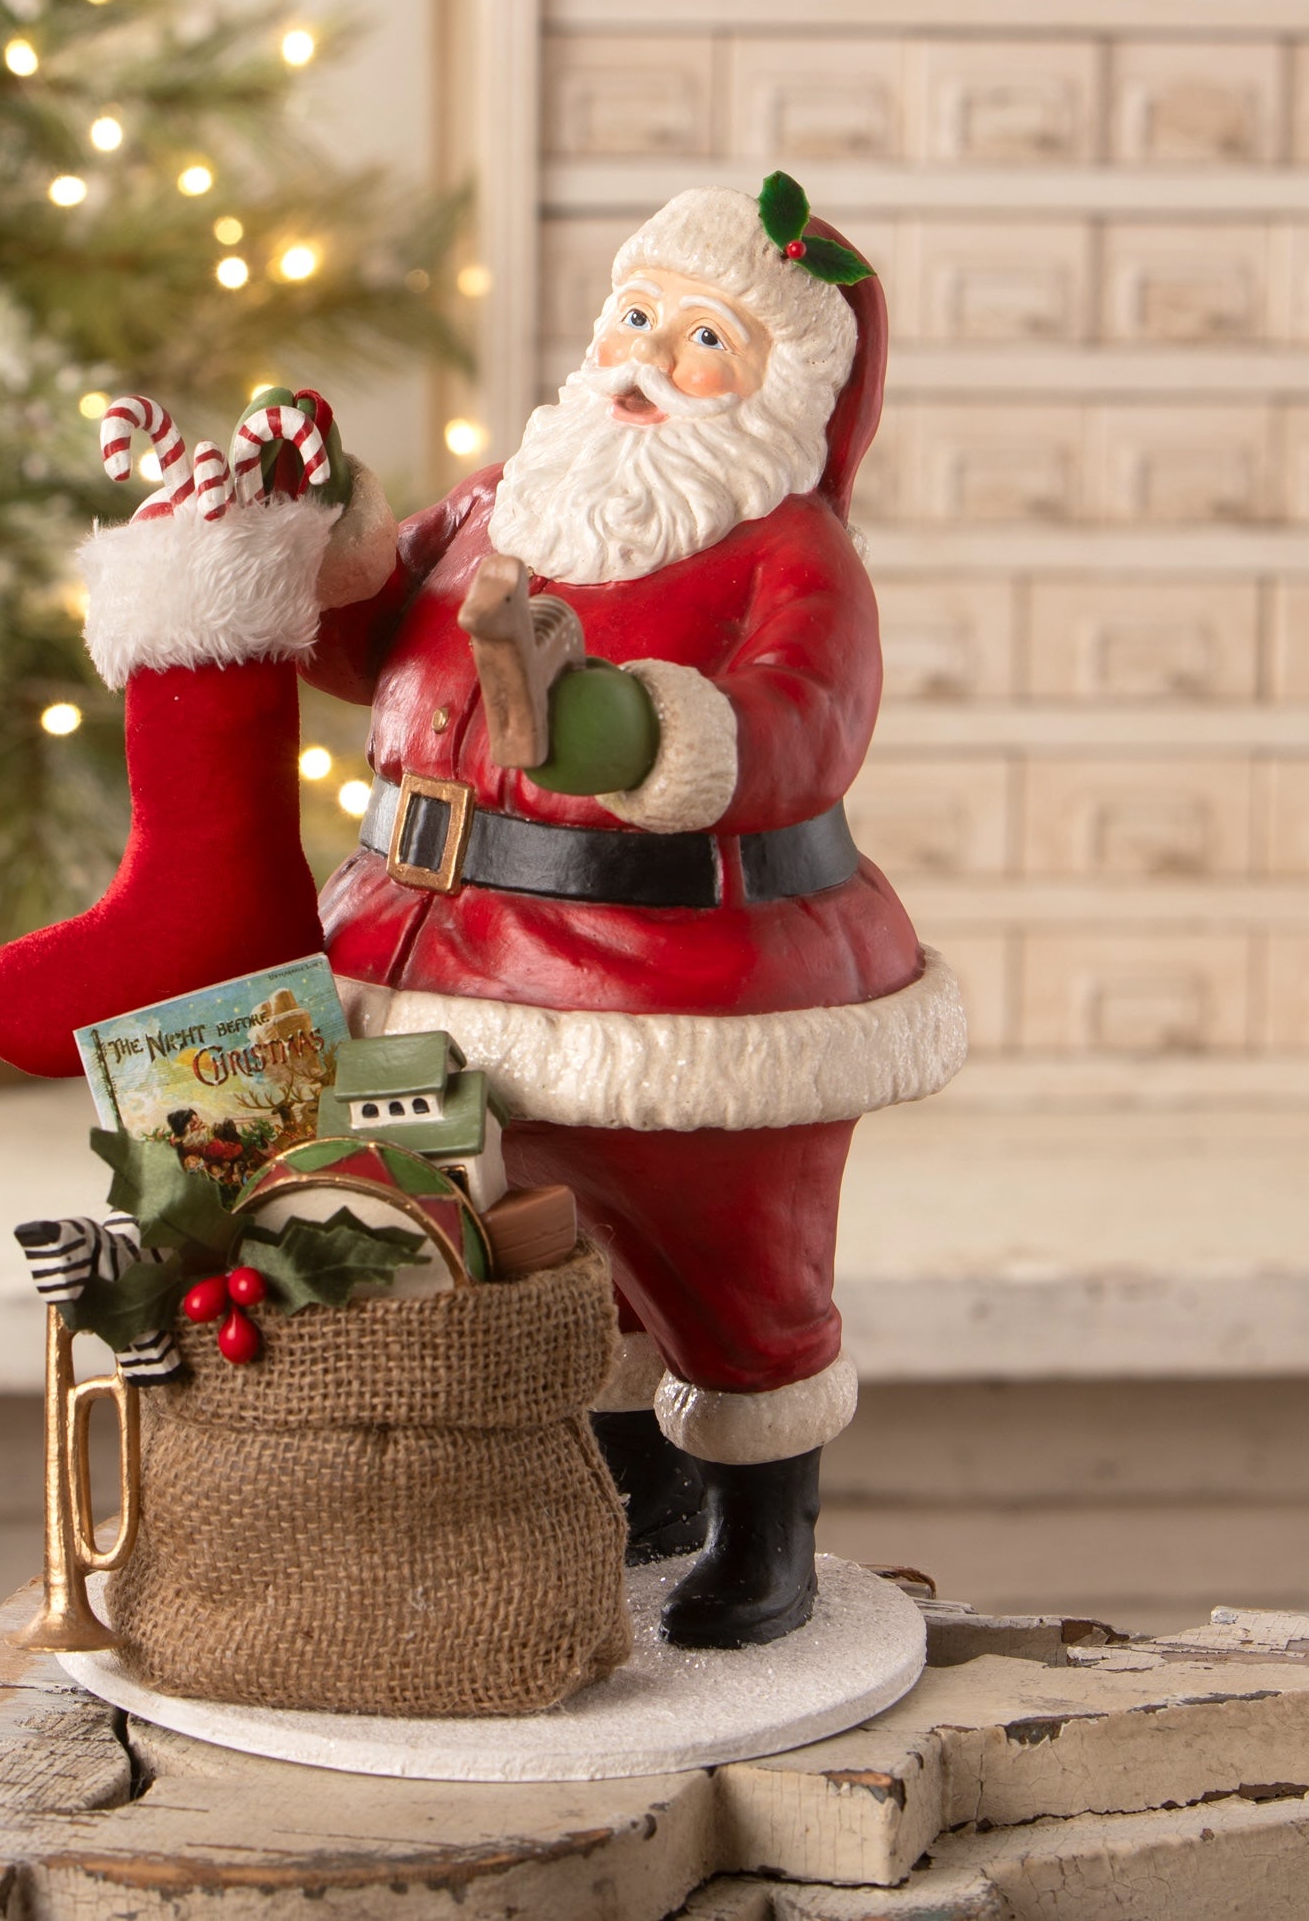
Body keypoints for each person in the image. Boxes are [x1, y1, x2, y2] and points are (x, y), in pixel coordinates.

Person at [305, 184, 966, 1649]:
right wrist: (321, 532)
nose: (644, 356)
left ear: (779, 387)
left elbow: (797, 726)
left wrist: (619, 733)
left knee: (725, 1260)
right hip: (428, 957)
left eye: (702, 336)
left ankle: (762, 1526)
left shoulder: (790, 557)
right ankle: (615, 1484)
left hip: (675, 988)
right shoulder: (502, 501)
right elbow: (361, 644)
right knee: (525, 1252)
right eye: (635, 313)